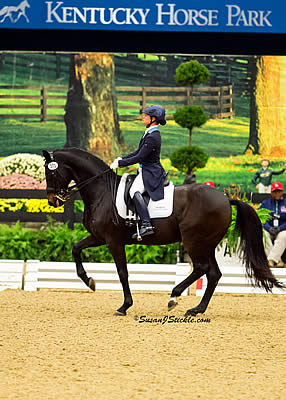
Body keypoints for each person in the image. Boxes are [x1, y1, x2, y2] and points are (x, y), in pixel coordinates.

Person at [110, 105, 166, 239]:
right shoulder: (149, 133)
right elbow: (137, 152)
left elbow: (140, 157)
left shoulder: (153, 137)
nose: (143, 117)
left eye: (146, 115)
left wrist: (120, 164)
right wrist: (122, 159)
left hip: (150, 172)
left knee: (133, 191)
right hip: (145, 170)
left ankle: (146, 224)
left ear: (153, 119)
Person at [260, 181, 286, 267]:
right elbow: (261, 218)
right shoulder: (265, 203)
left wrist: (280, 228)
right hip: (269, 229)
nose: (277, 193)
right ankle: (278, 261)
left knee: (284, 236)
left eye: (279, 191)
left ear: (282, 192)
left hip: (282, 229)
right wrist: (268, 228)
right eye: (275, 191)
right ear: (271, 192)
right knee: (263, 236)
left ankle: (270, 260)